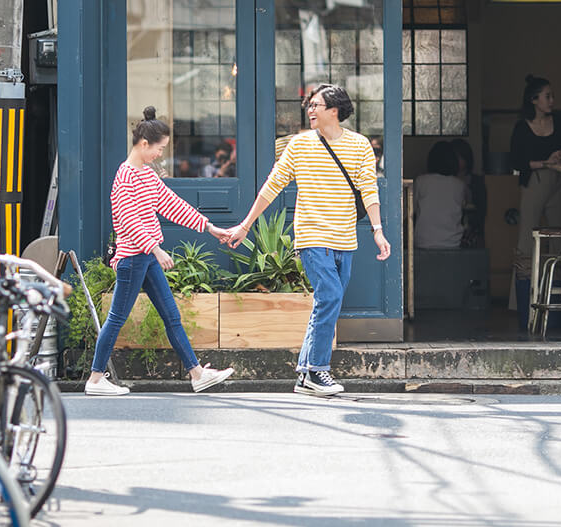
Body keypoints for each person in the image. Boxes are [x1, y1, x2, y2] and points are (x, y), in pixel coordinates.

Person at [226, 84, 391, 397]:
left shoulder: (359, 146)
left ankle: (304, 376)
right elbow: (272, 186)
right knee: (329, 296)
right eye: (309, 105)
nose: (310, 111)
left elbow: (369, 190)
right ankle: (318, 370)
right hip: (312, 233)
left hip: (345, 237)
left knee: (327, 301)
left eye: (316, 105)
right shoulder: (299, 145)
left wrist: (377, 230)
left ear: (335, 110)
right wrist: (246, 225)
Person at [86, 107, 236, 397]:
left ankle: (197, 374)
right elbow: (128, 221)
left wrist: (210, 227)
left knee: (171, 316)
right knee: (116, 318)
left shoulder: (148, 175)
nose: (161, 155)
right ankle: (94, 379)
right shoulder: (125, 176)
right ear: (144, 144)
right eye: (159, 149)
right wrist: (156, 250)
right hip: (133, 259)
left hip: (145, 258)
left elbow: (173, 204)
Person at [508, 75, 561, 329]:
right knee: (526, 240)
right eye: (547, 96)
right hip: (534, 181)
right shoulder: (522, 127)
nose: (552, 101)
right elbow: (518, 162)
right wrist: (545, 161)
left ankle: (559, 299)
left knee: (560, 236)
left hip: (557, 180)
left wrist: (559, 156)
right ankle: (520, 301)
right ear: (534, 100)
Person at [413, 141, 467, 249]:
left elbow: (412, 210)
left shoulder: (421, 181)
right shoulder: (459, 185)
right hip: (453, 242)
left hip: (423, 241)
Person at [450, 138, 486, 247]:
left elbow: (482, 210)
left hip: (472, 229)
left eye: (459, 157)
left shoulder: (476, 182)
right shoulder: (445, 182)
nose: (456, 160)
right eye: (453, 157)